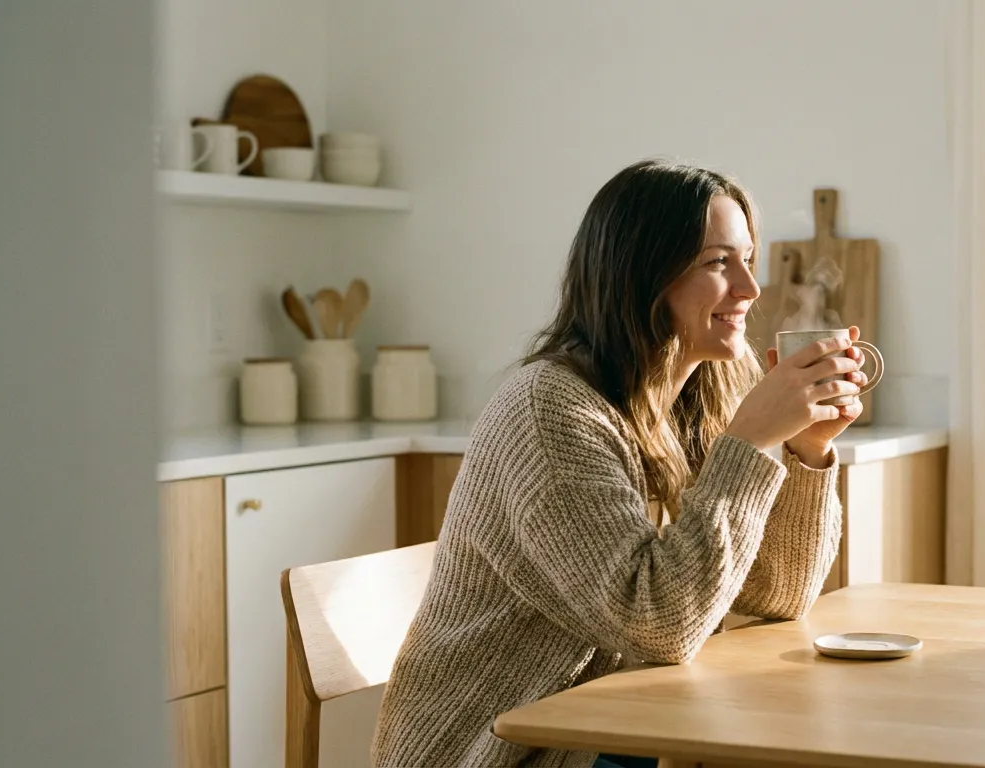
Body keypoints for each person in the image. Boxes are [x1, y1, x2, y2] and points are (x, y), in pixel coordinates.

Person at [372, 159, 870, 767]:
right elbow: (658, 624)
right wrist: (749, 443)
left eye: (747, 259)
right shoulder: (548, 411)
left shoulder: (708, 387)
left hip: (619, 727)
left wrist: (805, 449)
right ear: (640, 274)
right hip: (507, 751)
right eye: (718, 262)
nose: (750, 288)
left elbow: (779, 593)